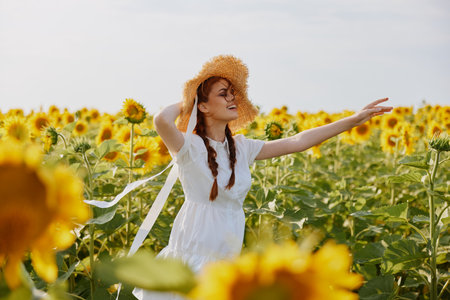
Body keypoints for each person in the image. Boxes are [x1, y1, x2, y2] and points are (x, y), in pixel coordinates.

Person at [132, 55, 392, 300]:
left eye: (232, 93)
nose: (232, 98)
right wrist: (188, 100)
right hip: (194, 252)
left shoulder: (241, 148)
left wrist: (353, 121)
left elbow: (297, 141)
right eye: (223, 94)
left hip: (227, 257)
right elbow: (161, 121)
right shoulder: (189, 146)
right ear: (204, 106)